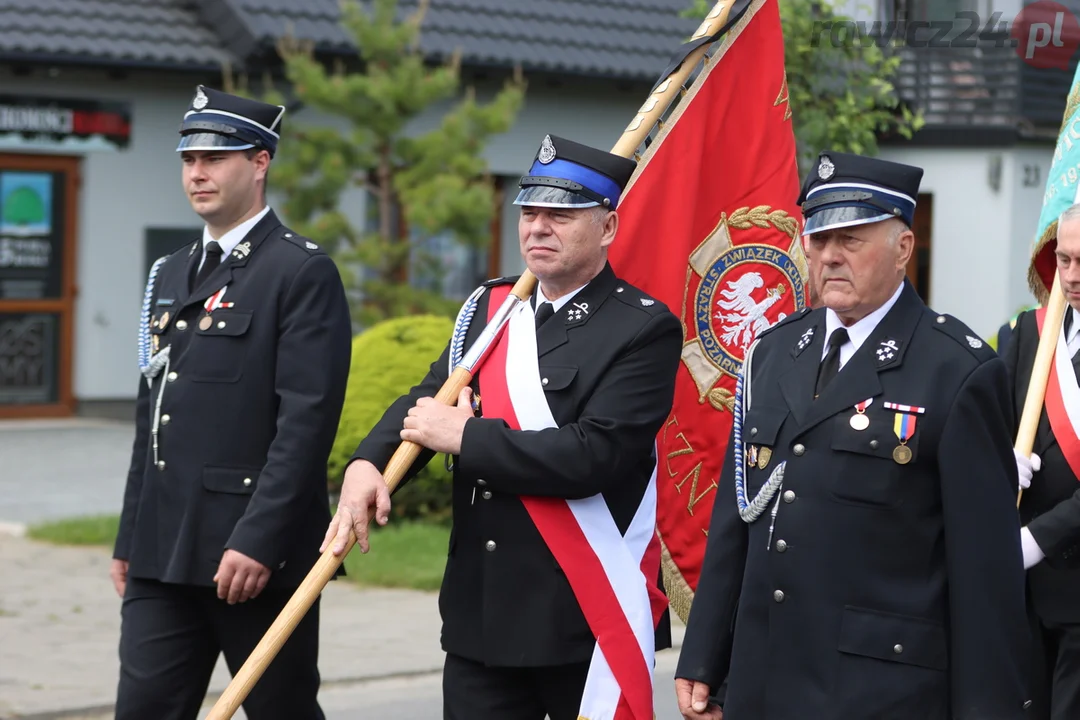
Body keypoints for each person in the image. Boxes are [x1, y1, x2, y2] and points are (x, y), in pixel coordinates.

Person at [322, 134, 683, 720]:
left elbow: (595, 455)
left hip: (579, 619)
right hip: (480, 617)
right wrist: (369, 462)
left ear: (609, 228)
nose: (538, 227)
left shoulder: (642, 329)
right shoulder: (491, 311)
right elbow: (430, 398)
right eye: (530, 212)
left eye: (561, 214)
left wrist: (466, 438)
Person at [674, 150, 1031, 720]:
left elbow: (984, 576)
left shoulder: (956, 371)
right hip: (763, 679)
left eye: (853, 238)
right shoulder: (772, 352)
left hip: (878, 691)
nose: (830, 256)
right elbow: (737, 514)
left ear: (904, 249)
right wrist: (704, 653)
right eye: (818, 238)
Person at [110, 85, 351, 720]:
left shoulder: (300, 272)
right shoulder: (169, 271)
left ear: (261, 161)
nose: (198, 173)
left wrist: (259, 539)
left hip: (253, 552)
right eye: (189, 160)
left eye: (216, 159)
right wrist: (129, 535)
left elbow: (305, 422)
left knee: (282, 710)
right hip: (163, 549)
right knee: (143, 708)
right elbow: (152, 414)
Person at [1006, 203, 1080, 720]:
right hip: (1023, 593)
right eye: (1064, 259)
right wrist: (997, 464)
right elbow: (988, 425)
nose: (1070, 277)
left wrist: (1036, 541)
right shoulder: (1029, 334)